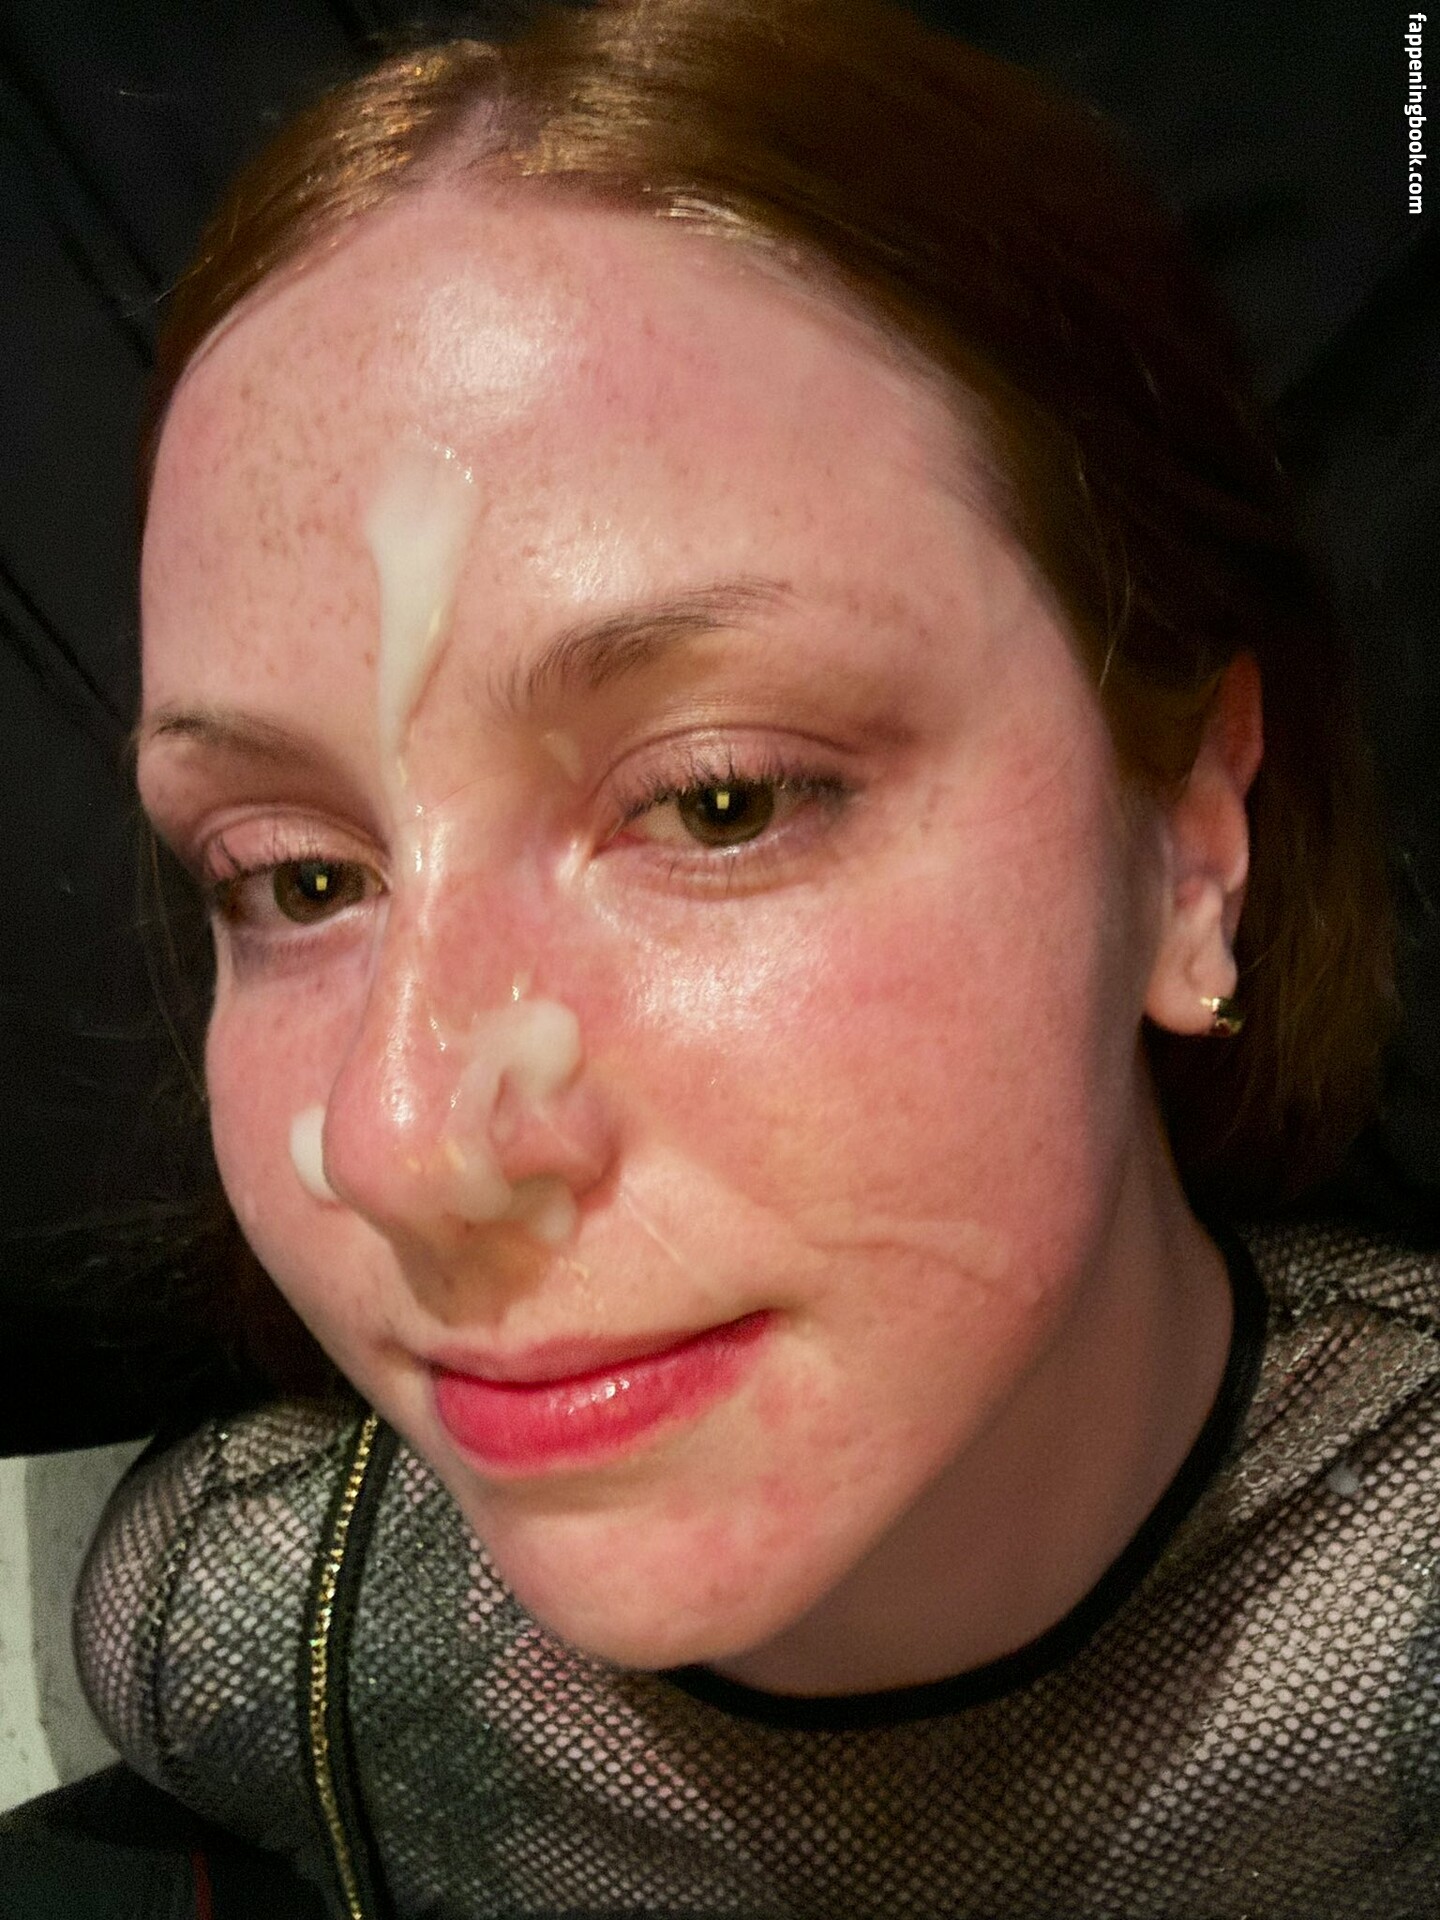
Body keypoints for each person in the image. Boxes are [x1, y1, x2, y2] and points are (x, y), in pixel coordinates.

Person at [28, 0, 1437, 1913]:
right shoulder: (254, 1634)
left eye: (718, 801)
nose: (397, 1139)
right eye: (295, 882)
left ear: (1190, 834)